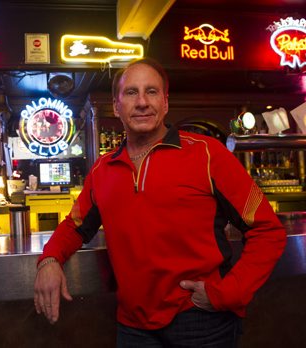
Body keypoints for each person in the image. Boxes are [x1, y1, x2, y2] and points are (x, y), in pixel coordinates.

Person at [33, 57, 286, 347]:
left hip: (201, 319)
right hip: (133, 327)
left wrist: (229, 293)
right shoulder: (103, 169)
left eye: (151, 92)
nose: (142, 102)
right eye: (131, 93)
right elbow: (75, 227)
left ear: (165, 102)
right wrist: (50, 260)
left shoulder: (207, 154)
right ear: (117, 107)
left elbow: (268, 231)